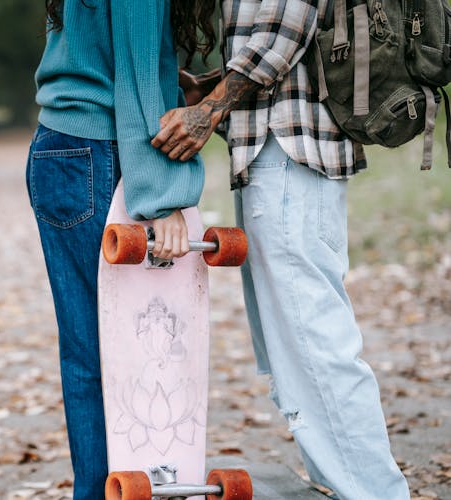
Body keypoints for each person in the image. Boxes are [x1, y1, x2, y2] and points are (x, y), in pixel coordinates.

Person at [151, 0, 411, 498]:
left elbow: (282, 31)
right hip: (279, 154)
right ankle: (349, 486)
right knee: (296, 353)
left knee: (316, 349)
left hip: (287, 154)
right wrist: (209, 87)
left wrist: (208, 109)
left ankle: (375, 493)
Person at [25, 1, 215, 498]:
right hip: (98, 153)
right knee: (116, 352)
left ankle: (97, 490)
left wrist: (177, 85)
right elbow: (133, 77)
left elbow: (107, 48)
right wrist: (161, 196)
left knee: (88, 350)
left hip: (60, 146)